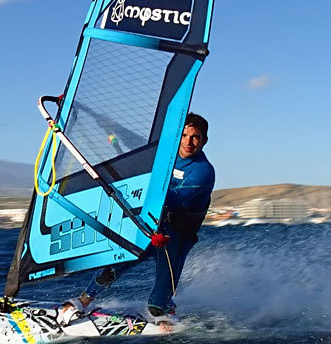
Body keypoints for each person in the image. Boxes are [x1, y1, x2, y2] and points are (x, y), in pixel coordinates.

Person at [58, 113, 215, 325]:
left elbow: (170, 199)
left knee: (156, 308)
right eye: (184, 135)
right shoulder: (165, 153)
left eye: (195, 137)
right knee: (113, 268)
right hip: (149, 226)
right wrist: (110, 125)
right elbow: (134, 142)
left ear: (204, 140)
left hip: (175, 237)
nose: (188, 142)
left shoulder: (203, 171)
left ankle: (168, 312)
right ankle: (82, 301)